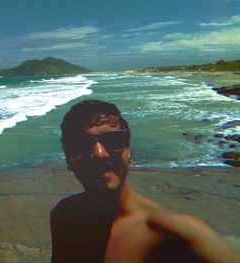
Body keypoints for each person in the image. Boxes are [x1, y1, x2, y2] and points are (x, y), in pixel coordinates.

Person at [50, 99, 240, 263]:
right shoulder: (65, 217)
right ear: (68, 158)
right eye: (81, 144)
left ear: (128, 151)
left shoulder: (173, 232)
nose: (99, 154)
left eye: (114, 141)